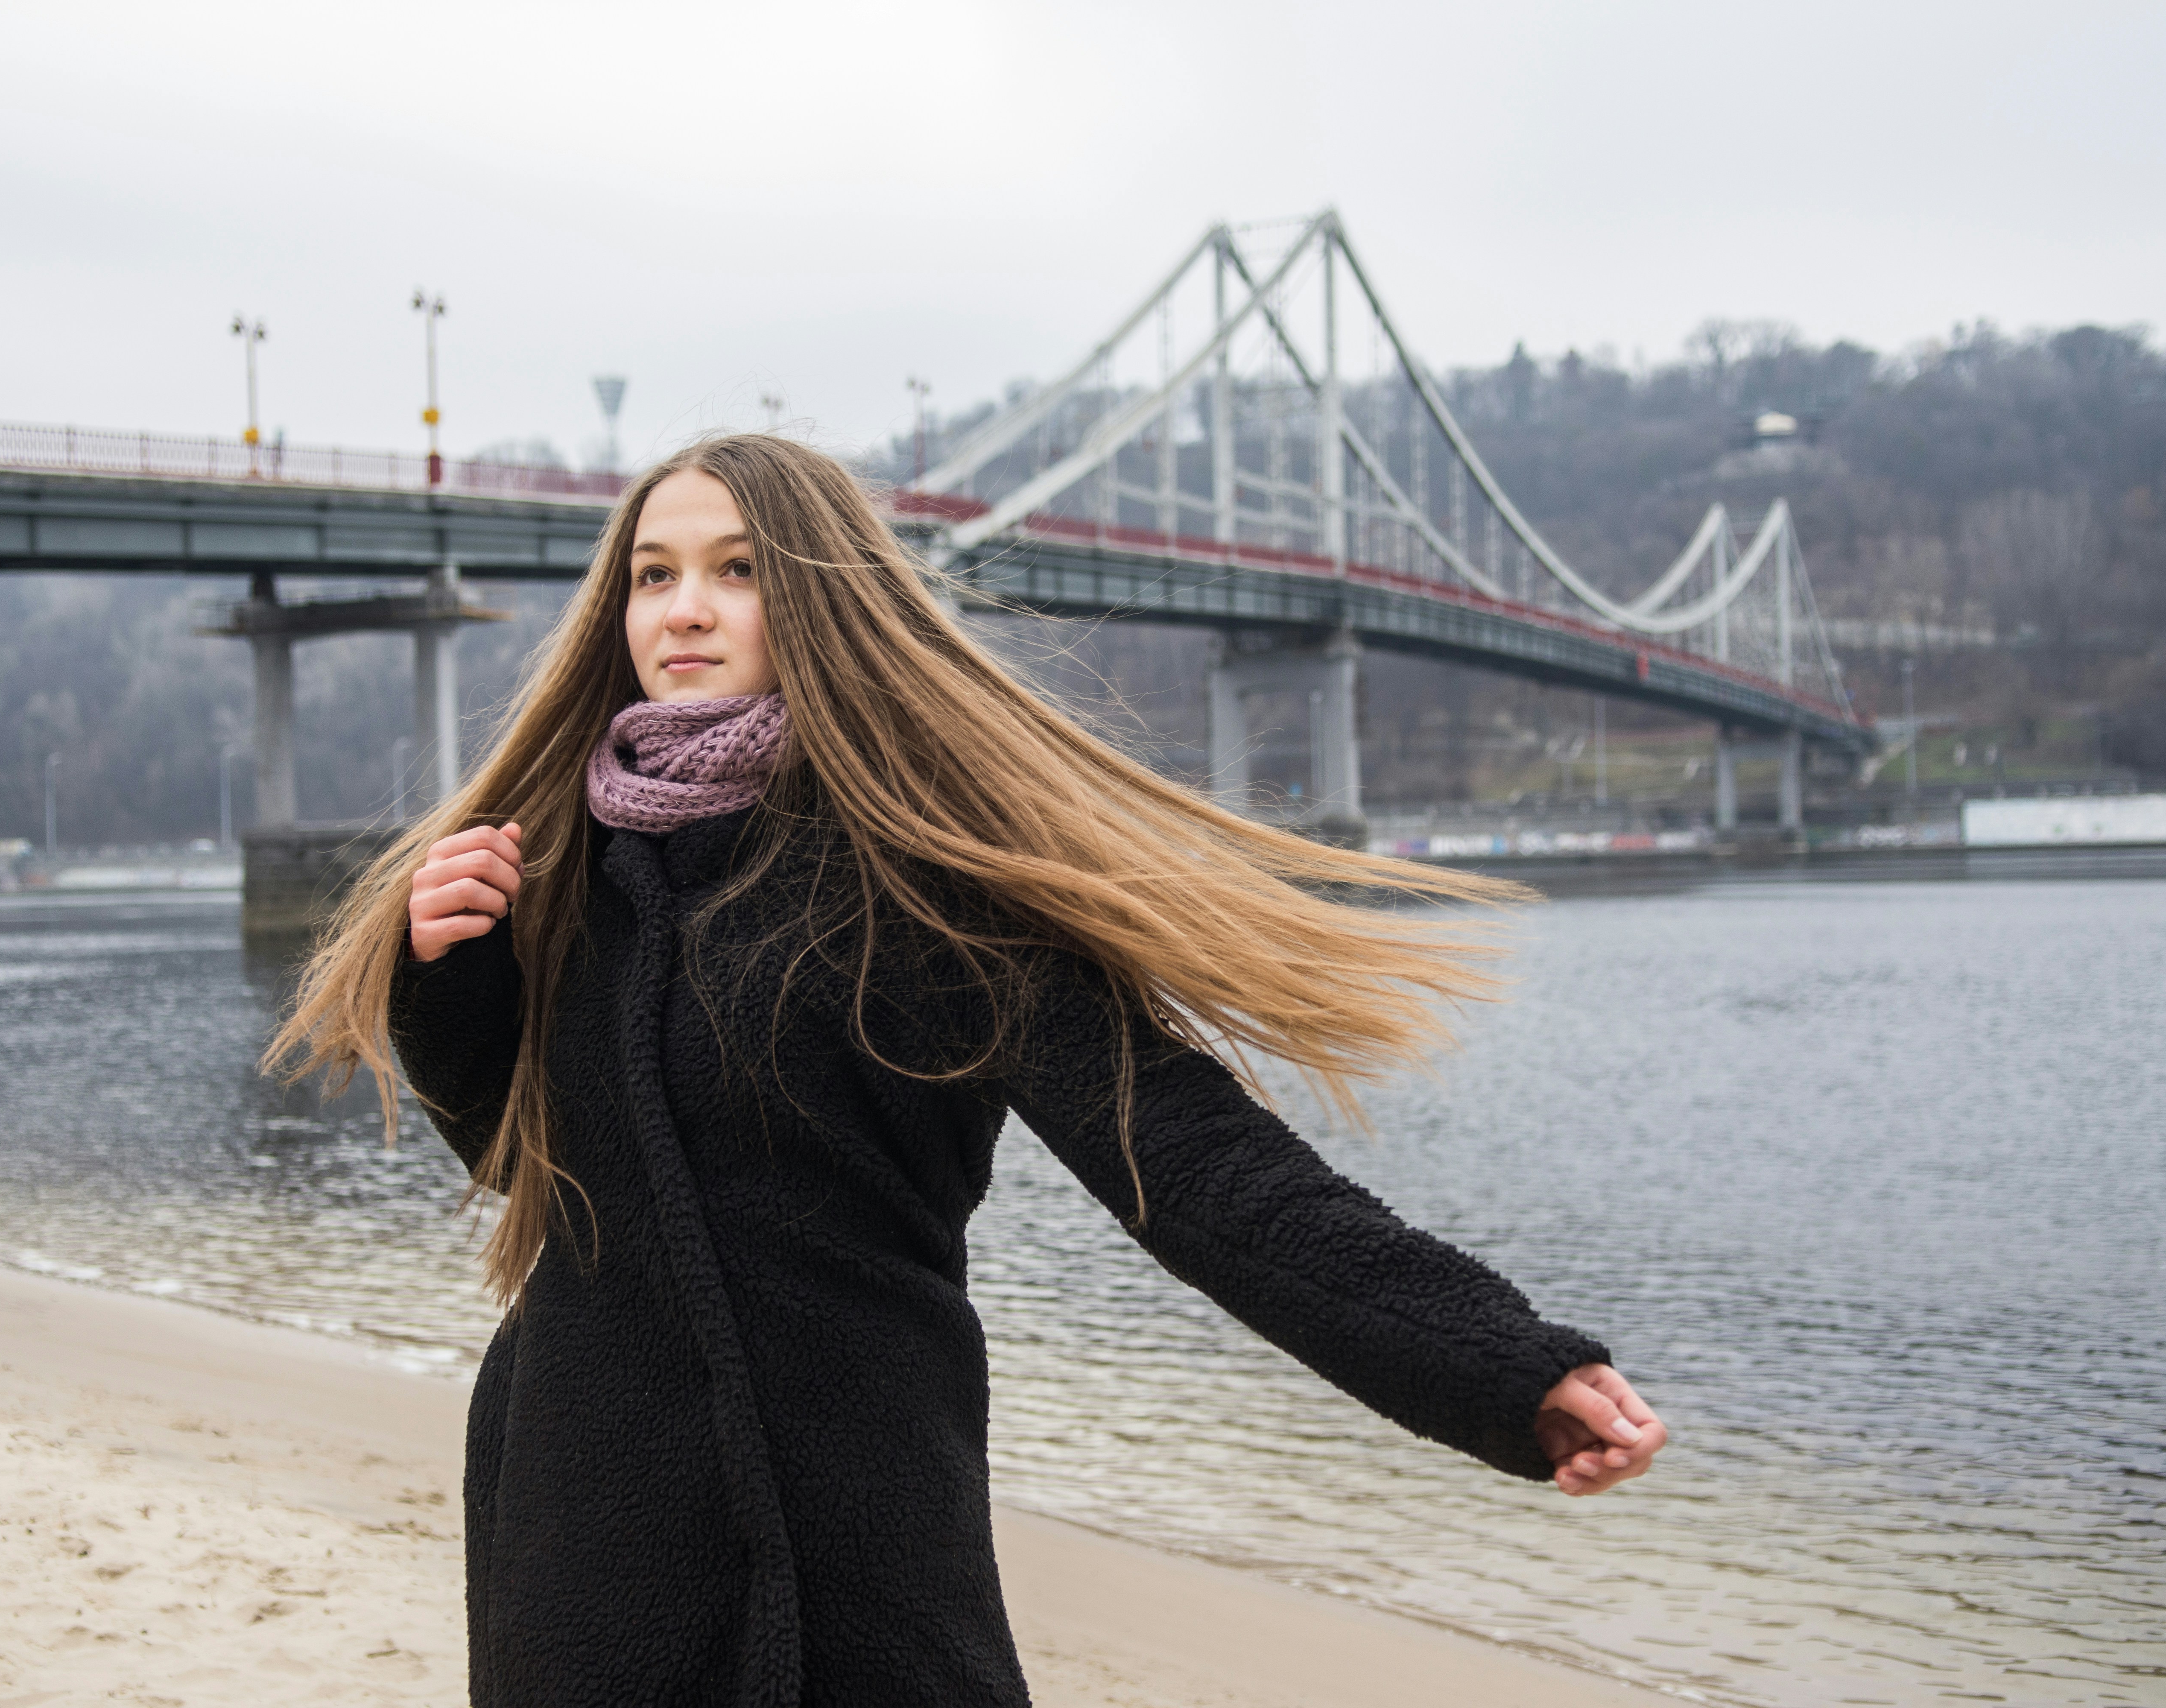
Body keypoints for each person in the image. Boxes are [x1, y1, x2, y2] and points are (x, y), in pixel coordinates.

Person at [272, 435, 1666, 1707]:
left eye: (738, 572)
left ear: (822, 599)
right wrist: (448, 991)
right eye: (653, 576)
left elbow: (1201, 1173)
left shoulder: (934, 896)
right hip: (585, 1536)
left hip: (863, 1542)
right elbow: (548, 1184)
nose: (682, 610)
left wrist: (1497, 1367)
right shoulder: (564, 868)